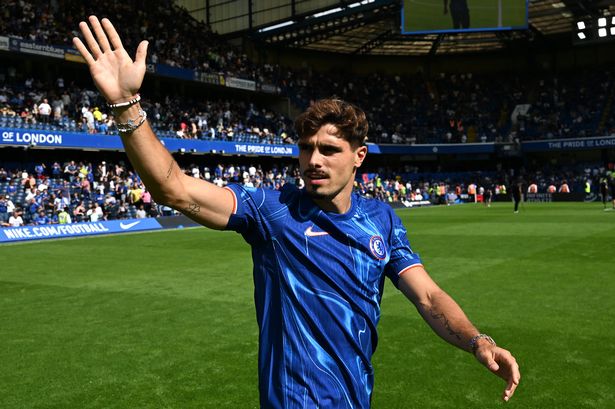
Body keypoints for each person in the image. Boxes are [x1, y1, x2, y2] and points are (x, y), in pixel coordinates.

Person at [74, 16, 520, 408]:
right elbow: (174, 190)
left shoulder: (382, 220)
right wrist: (126, 105)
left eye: (329, 149)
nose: (314, 160)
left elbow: (428, 296)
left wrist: (478, 341)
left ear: (360, 156)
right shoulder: (271, 211)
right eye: (306, 149)